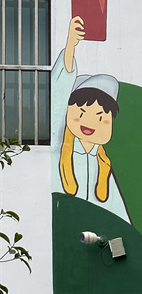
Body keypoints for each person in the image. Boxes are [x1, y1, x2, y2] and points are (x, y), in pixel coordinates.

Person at [51, 16, 129, 221]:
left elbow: (119, 215)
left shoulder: (103, 163)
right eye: (81, 113)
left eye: (101, 117)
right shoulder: (60, 145)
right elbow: (59, 88)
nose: (90, 122)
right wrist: (70, 45)